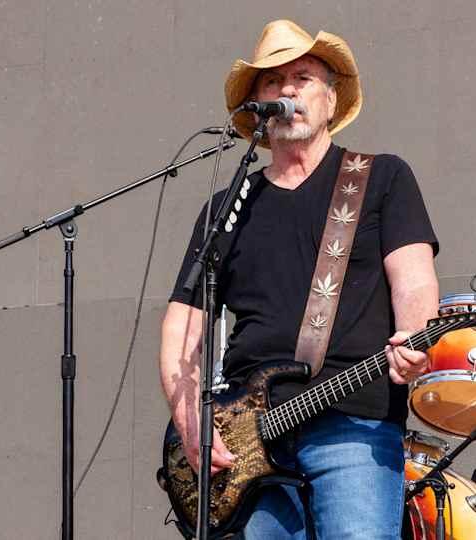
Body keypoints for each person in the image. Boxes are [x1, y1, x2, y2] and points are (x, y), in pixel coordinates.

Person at [159, 20, 439, 539]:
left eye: (303, 77)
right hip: (248, 434)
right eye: (272, 81)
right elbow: (184, 320)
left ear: (332, 100)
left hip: (354, 419)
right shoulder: (227, 208)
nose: (287, 89)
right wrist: (188, 420)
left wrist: (414, 335)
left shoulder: (381, 178)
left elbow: (414, 278)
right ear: (258, 107)